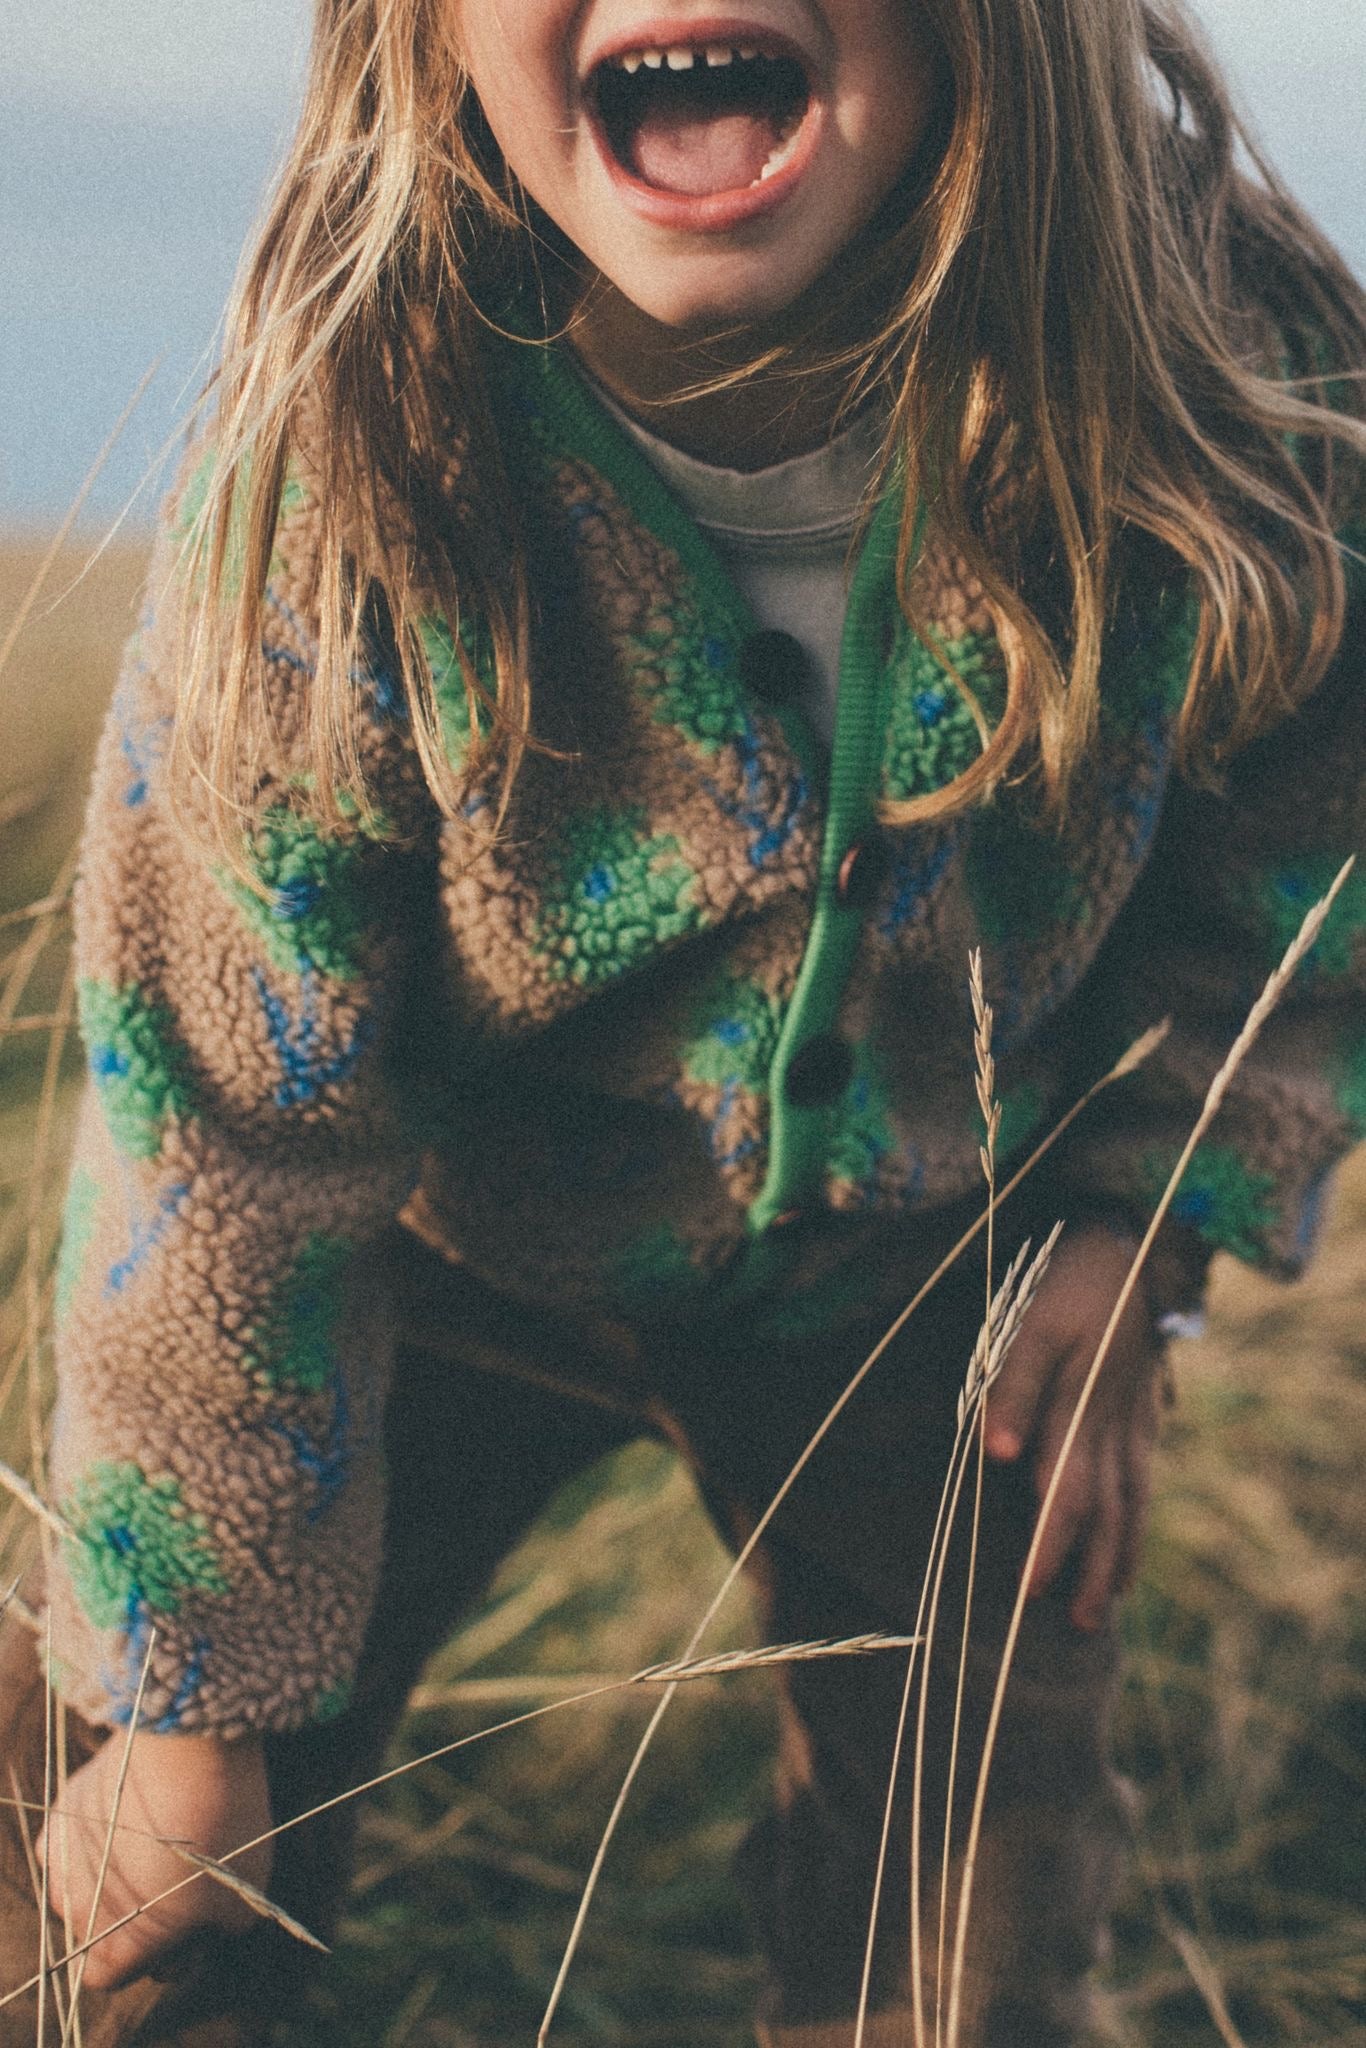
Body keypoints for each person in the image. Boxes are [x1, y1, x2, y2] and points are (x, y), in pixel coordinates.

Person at [3, 0, 1363, 2041]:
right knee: (118, 1842)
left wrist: (1140, 1208)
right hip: (437, 1243)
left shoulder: (1209, 360)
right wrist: (190, 1699)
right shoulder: (361, 467)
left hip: (934, 1263)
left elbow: (1305, 821)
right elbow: (226, 1133)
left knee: (961, 1910)